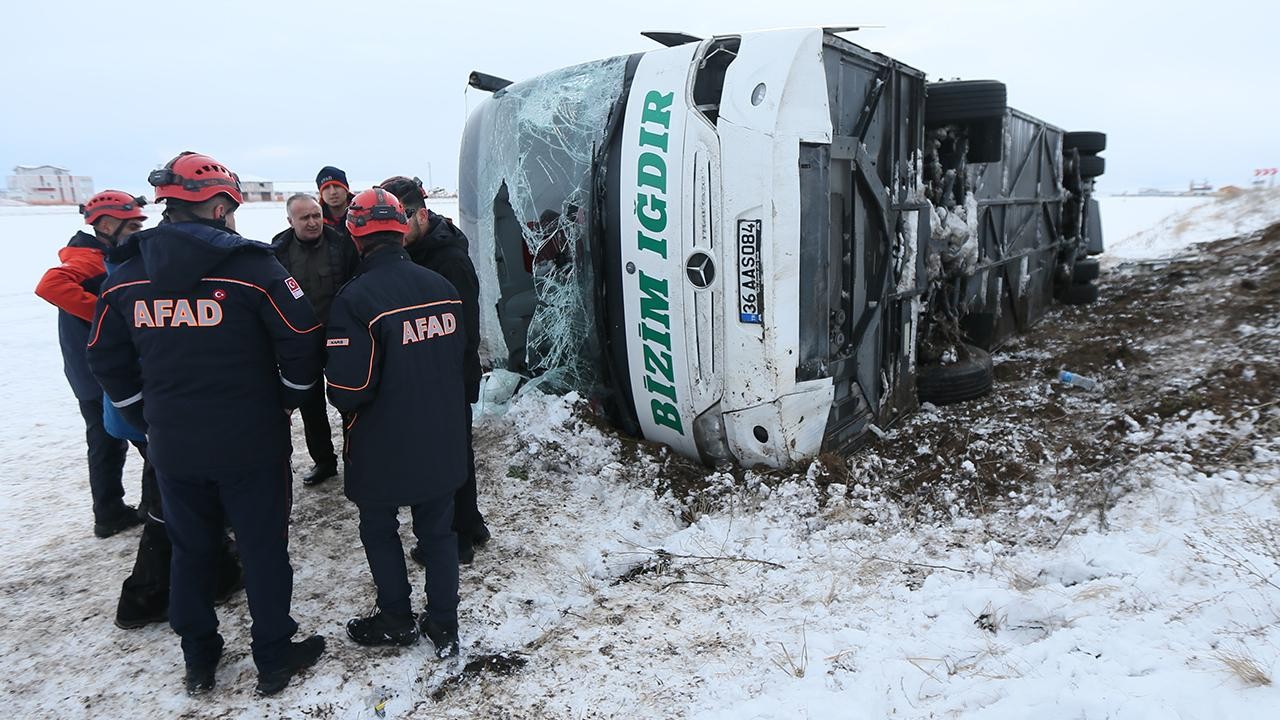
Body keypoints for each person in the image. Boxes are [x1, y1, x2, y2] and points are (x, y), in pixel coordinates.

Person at [86, 151, 325, 697]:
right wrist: (287, 399)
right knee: (264, 549)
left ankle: (199, 656)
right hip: (251, 442)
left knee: (191, 550)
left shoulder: (125, 274)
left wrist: (141, 416)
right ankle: (273, 654)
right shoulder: (254, 267)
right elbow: (301, 339)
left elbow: (104, 356)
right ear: (218, 207)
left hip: (174, 445)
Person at [325, 188, 467, 658]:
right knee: (439, 534)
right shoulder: (441, 287)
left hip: (382, 443)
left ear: (356, 235)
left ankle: (396, 617)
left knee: (379, 529)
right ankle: (444, 623)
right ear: (401, 230)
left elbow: (349, 389)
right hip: (441, 437)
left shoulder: (356, 298)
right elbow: (459, 362)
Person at [380, 176, 489, 565]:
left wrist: (449, 379)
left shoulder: (448, 259)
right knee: (455, 452)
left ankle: (456, 539)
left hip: (450, 375)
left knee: (446, 457)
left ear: (421, 214)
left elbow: (465, 329)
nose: (396, 226)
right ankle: (471, 524)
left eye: (402, 217)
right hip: (440, 375)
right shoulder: (419, 250)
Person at [35, 190, 151, 538]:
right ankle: (155, 507)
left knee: (106, 443)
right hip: (100, 373)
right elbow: (50, 284)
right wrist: (109, 315)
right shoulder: (90, 259)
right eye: (131, 226)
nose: (137, 232)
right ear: (105, 224)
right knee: (151, 439)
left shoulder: (100, 255)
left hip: (88, 371)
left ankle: (109, 511)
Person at [271, 194, 358, 486]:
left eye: (316, 215)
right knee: (310, 406)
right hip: (300, 342)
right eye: (304, 217)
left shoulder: (341, 244)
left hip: (338, 338)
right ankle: (324, 461)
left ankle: (355, 458)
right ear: (290, 221)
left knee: (349, 400)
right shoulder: (278, 250)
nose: (312, 222)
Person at [316, 165, 353, 241]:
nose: (333, 192)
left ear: (346, 189)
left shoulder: (364, 213)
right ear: (321, 193)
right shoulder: (315, 220)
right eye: (326, 188)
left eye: (337, 186)